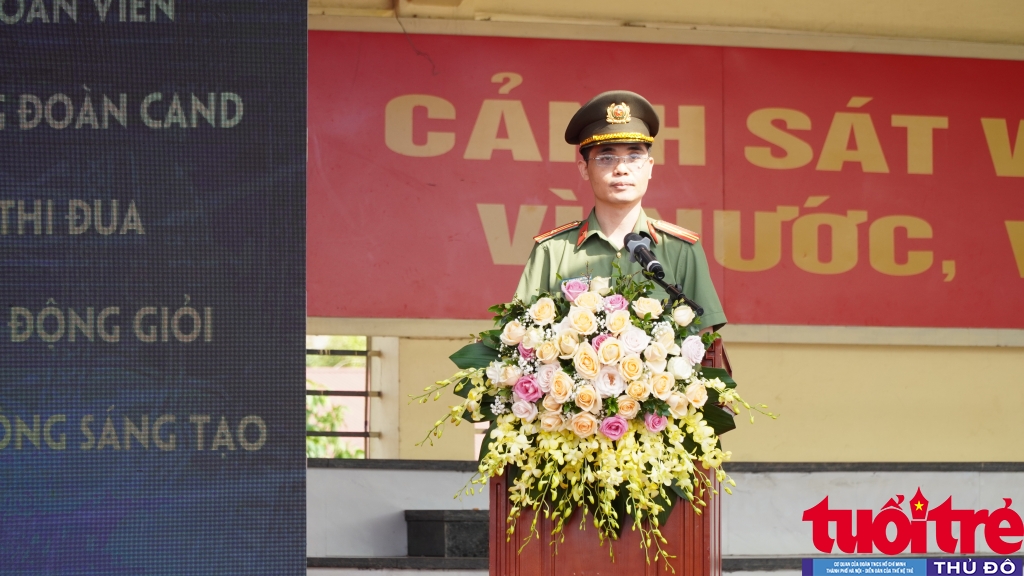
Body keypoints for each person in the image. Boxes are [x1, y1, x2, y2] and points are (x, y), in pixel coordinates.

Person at [514, 90, 727, 329]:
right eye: (606, 158)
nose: (621, 169)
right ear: (584, 169)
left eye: (634, 156)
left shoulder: (681, 251)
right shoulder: (552, 251)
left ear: (649, 167)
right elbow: (522, 335)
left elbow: (705, 343)